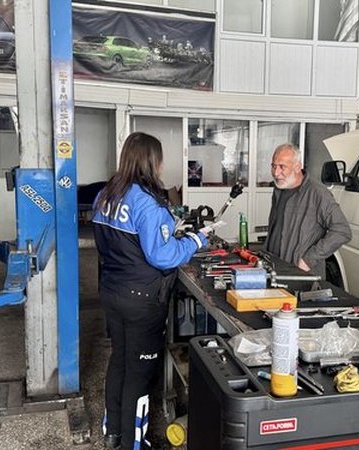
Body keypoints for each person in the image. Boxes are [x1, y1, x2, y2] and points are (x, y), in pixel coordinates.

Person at [92, 132, 208, 450]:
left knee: (120, 361)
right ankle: (134, 443)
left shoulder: (105, 196)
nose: (162, 166)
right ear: (151, 162)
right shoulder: (148, 202)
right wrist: (195, 241)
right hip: (142, 301)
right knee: (140, 374)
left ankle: (112, 432)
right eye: (159, 160)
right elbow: (162, 255)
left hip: (112, 293)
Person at [265, 143, 352, 277]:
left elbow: (342, 231)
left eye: (282, 167)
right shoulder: (279, 190)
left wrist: (309, 259)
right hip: (274, 270)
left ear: (297, 167)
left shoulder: (318, 194)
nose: (276, 173)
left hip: (300, 276)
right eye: (273, 166)